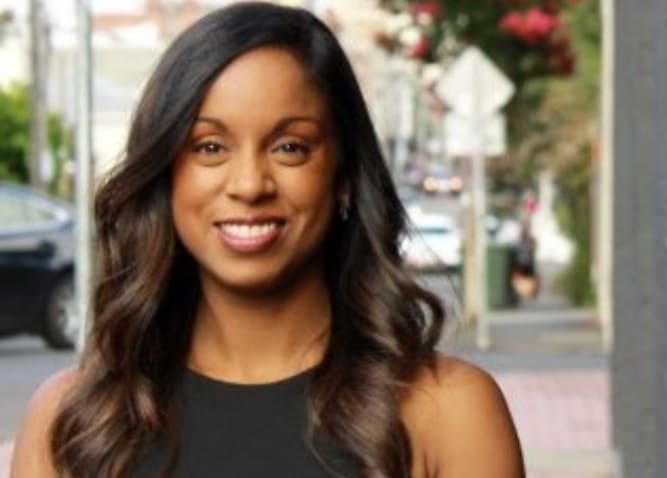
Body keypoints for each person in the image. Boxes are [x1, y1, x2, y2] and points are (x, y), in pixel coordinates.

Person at [10, 3, 523, 478]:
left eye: (289, 147)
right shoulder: (74, 424)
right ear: (166, 175)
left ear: (343, 176)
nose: (250, 184)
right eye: (210, 147)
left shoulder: (449, 413)